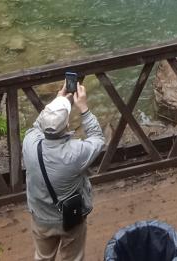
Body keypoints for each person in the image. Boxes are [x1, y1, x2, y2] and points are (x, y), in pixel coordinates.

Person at [22, 79, 104, 261]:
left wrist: (57, 100)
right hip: (71, 217)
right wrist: (84, 109)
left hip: (41, 216)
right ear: (66, 124)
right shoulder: (75, 152)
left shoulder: (29, 143)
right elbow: (98, 138)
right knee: (72, 258)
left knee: (43, 257)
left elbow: (37, 126)